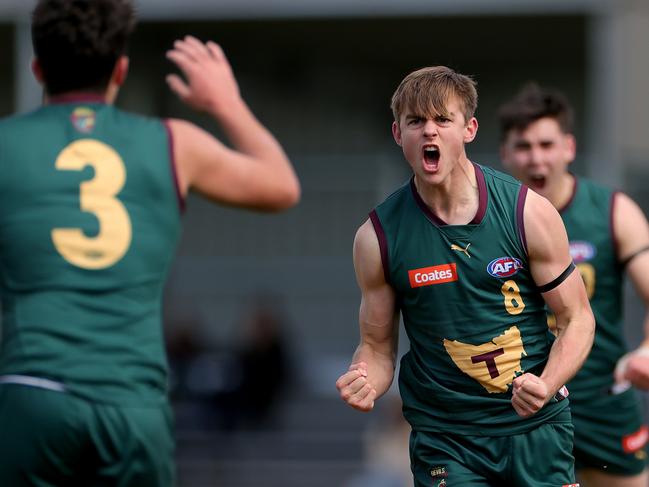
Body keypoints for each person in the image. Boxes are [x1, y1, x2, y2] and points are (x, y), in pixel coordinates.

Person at [0, 0, 300, 486]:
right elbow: (281, 185)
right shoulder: (172, 141)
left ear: (37, 69)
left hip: (32, 394)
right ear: (121, 69)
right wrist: (226, 102)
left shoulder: (6, 143)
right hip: (132, 403)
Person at [335, 66, 595, 486]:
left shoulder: (527, 212)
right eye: (416, 121)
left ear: (469, 129)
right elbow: (377, 348)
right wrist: (365, 378)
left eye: (443, 119)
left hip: (534, 429)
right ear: (398, 134)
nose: (429, 132)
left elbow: (577, 319)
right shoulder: (376, 237)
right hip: (447, 438)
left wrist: (546, 384)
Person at [499, 83, 649, 487]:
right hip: (520, 408)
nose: (537, 158)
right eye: (524, 146)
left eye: (547, 144)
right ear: (505, 154)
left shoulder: (613, 211)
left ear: (568, 147)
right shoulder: (488, 220)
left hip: (602, 400)